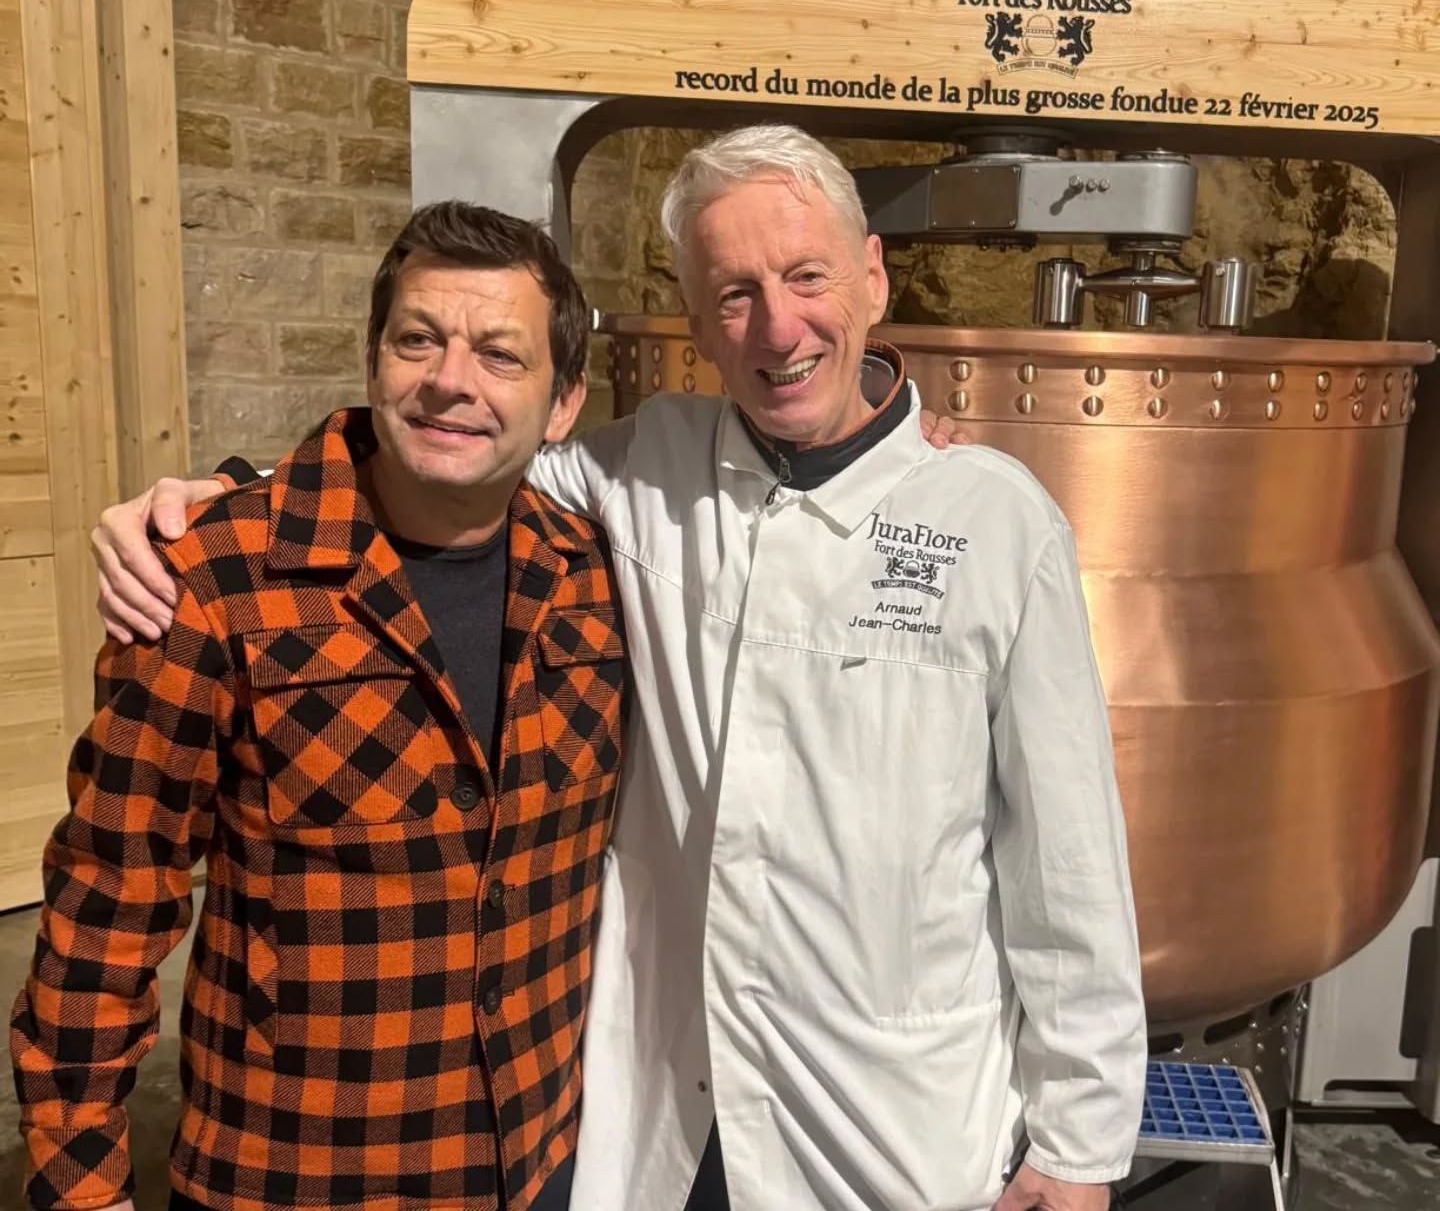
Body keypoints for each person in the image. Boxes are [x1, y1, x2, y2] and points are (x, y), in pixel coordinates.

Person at [89, 126, 1148, 1211]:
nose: (777, 325)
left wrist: (1078, 1142)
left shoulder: (998, 524)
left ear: (872, 276)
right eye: (733, 293)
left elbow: (1066, 864)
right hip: (666, 1118)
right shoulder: (645, 468)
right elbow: (455, 452)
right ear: (696, 323)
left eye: (806, 276)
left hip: (895, 1122)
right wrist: (223, 496)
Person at [11, 203, 628, 1211]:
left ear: (563, 404)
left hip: (540, 1167)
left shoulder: (597, 581)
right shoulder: (212, 582)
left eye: (499, 355)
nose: (449, 381)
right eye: (417, 339)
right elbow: (107, 903)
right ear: (374, 358)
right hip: (299, 1176)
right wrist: (80, 1183)